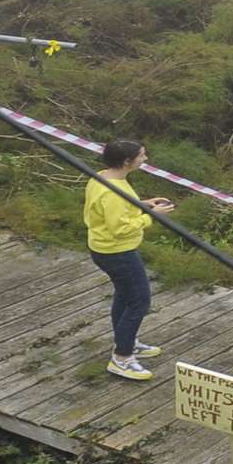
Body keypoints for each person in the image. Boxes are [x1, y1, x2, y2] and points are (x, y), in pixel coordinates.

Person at [82, 140, 174, 381]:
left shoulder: (102, 177)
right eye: (142, 155)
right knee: (139, 301)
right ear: (127, 161)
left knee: (124, 295)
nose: (145, 159)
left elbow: (114, 210)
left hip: (106, 248)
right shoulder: (112, 190)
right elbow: (119, 229)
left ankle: (127, 342)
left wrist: (143, 205)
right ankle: (121, 358)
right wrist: (150, 216)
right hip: (117, 251)